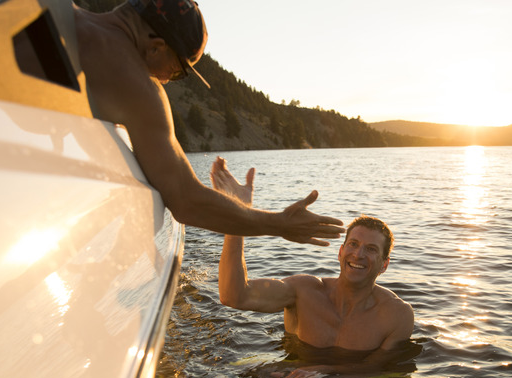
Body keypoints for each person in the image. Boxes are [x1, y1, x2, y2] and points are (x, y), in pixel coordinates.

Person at [72, 0, 343, 245]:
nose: (165, 80)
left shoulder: (59, 11)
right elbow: (186, 200)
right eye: (176, 71)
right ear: (156, 47)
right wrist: (280, 224)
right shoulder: (138, 86)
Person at [210, 157, 415, 378]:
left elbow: (378, 368)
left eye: (371, 249)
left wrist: (325, 371)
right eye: (353, 244)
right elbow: (233, 295)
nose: (358, 254)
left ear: (384, 265)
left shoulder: (396, 315)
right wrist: (238, 214)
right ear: (340, 252)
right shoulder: (303, 291)